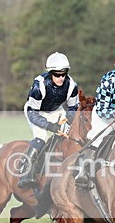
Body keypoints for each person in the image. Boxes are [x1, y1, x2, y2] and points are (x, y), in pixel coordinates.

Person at [74, 48, 115, 188]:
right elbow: (102, 109)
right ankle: (84, 172)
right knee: (97, 139)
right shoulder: (108, 81)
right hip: (104, 117)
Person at [19, 52, 80, 188]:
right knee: (41, 137)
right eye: (57, 74)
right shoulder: (39, 85)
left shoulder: (71, 85)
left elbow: (73, 108)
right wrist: (50, 126)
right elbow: (32, 113)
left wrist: (69, 121)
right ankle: (25, 171)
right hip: (35, 112)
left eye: (63, 74)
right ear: (50, 73)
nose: (61, 78)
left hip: (55, 111)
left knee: (71, 135)